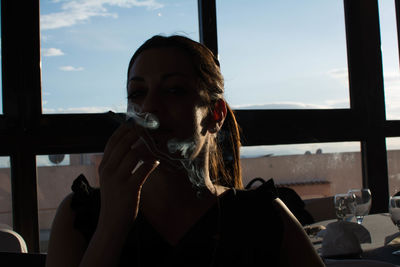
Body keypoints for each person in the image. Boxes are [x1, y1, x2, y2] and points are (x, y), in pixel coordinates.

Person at [45, 35, 325, 267]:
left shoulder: (261, 217)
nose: (150, 108)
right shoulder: (80, 215)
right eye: (137, 93)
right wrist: (111, 225)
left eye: (174, 90)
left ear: (215, 114)